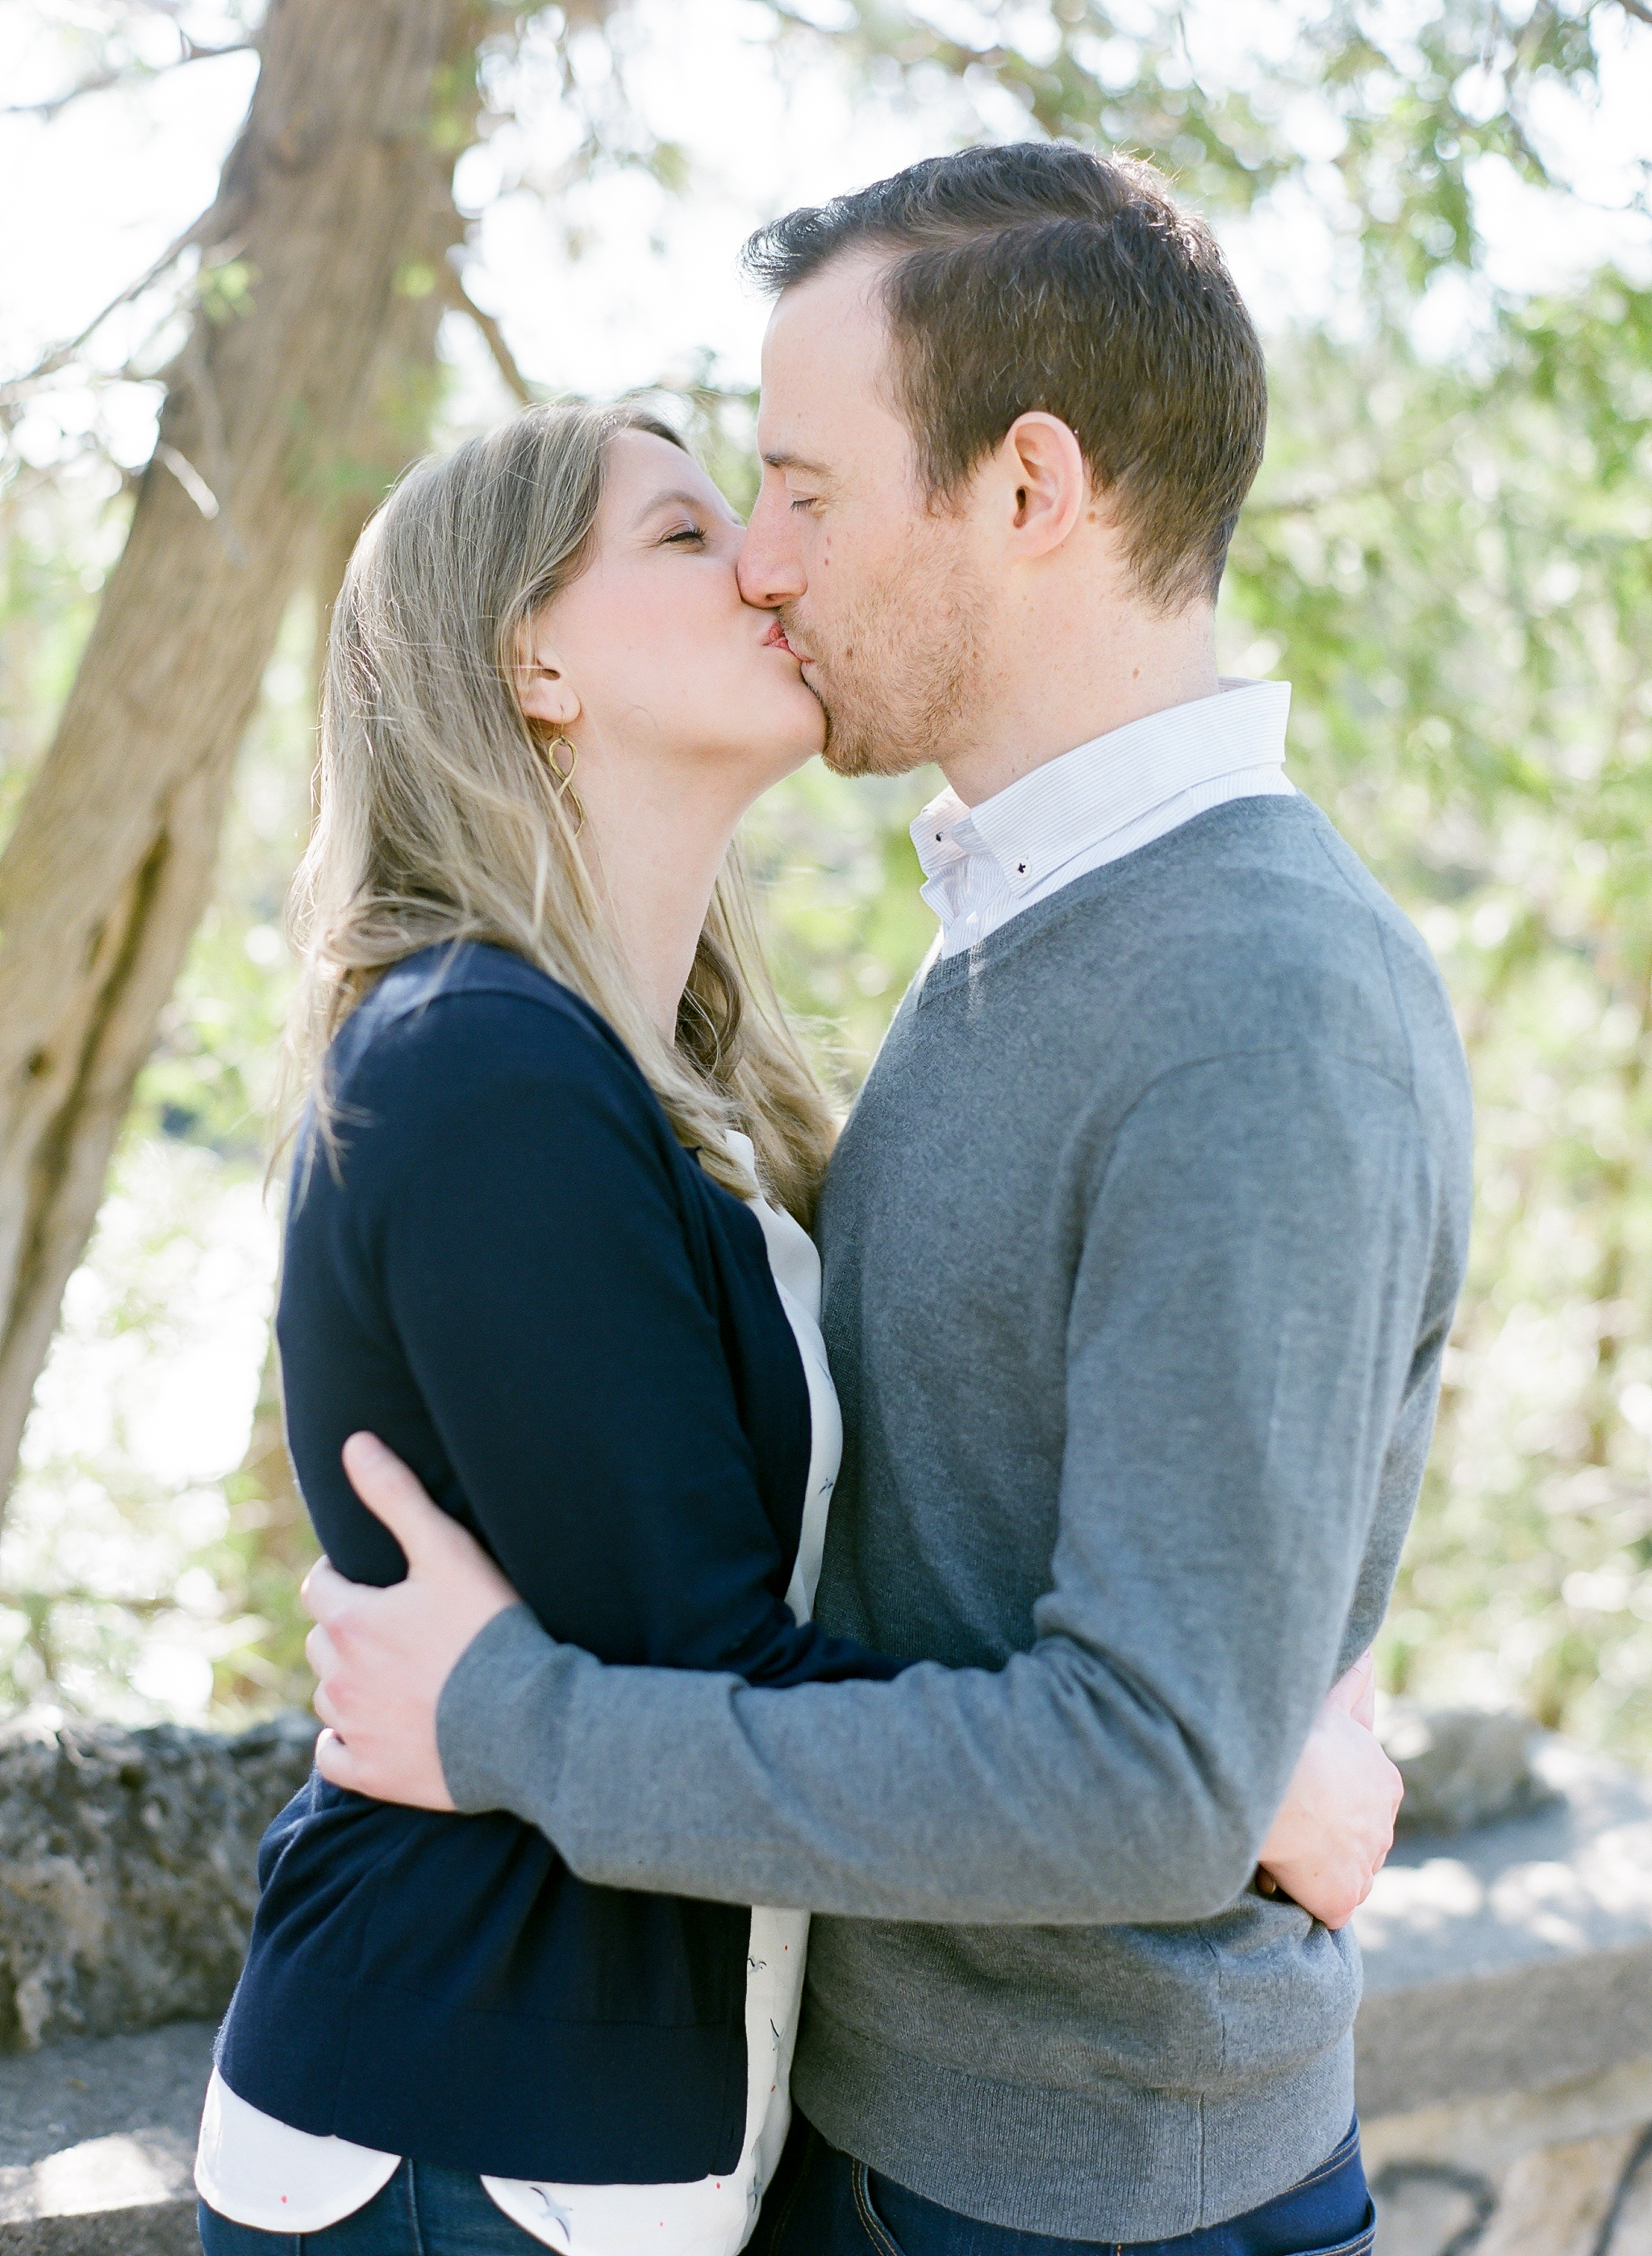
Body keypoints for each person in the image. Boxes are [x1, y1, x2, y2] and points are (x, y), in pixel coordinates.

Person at [302, 143, 1477, 2256]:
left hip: (1092, 2196)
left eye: (807, 491)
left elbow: (1145, 1759)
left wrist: (513, 1720)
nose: (767, 563)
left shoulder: (1260, 992)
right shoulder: (1009, 930)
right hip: (871, 2139)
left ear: (1027, 491)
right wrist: (1254, 1755)